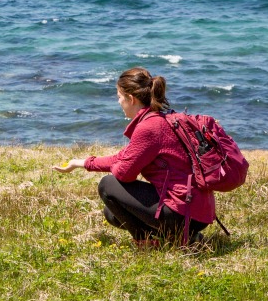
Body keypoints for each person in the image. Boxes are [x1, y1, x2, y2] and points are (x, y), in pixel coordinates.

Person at [53, 67, 213, 247]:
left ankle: (147, 242)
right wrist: (80, 163)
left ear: (131, 98)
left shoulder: (149, 128)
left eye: (119, 97)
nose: (118, 102)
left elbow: (124, 173)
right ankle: (184, 238)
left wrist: (122, 164)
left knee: (108, 184)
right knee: (112, 214)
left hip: (182, 212)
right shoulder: (161, 118)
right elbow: (124, 157)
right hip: (199, 212)